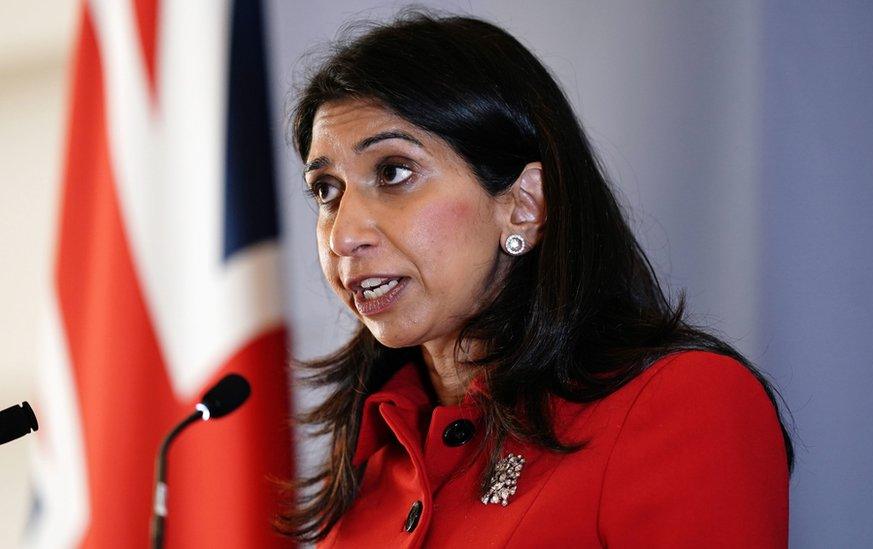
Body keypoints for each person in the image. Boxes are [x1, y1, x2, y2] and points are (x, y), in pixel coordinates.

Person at [278, 11, 793, 548]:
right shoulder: (377, 450)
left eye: (393, 172)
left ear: (525, 205)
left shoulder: (684, 406)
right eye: (326, 191)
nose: (342, 235)